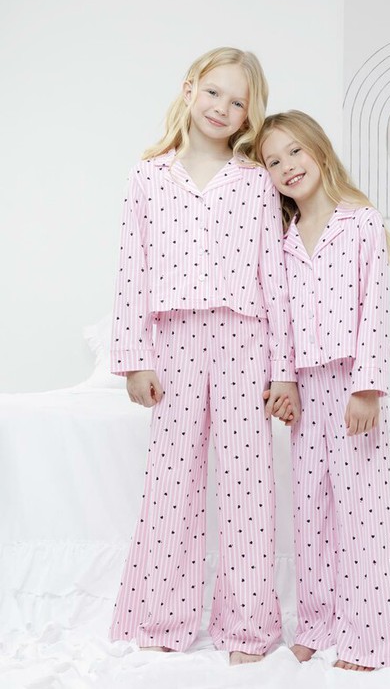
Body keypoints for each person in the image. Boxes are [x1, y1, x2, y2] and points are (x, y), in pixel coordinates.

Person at [108, 47, 300, 666]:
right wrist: (134, 356)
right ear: (190, 88)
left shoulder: (255, 181)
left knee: (248, 485)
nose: (222, 107)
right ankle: (163, 617)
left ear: (249, 115)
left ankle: (248, 627)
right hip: (173, 344)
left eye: (237, 101)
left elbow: (275, 277)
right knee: (172, 483)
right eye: (214, 92)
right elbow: (132, 270)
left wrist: (284, 370)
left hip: (245, 340)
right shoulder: (148, 177)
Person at [257, 110, 390, 671]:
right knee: (311, 511)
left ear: (319, 150)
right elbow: (278, 319)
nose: (287, 166)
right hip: (305, 388)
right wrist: (284, 380)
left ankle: (373, 638)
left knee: (361, 512)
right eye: (273, 161)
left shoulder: (360, 221)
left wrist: (368, 388)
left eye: (295, 151)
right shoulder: (280, 241)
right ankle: (318, 625)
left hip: (351, 384)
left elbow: (375, 310)